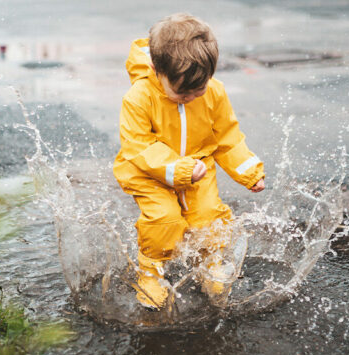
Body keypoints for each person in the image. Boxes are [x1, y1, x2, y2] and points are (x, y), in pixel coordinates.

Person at [113, 13, 265, 309]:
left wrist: (249, 171)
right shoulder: (138, 97)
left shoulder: (215, 93)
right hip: (149, 174)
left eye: (201, 88)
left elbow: (228, 137)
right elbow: (139, 146)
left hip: (198, 165)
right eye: (183, 92)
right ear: (157, 70)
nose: (193, 97)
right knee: (164, 219)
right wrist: (179, 170)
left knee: (208, 216)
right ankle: (151, 274)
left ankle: (210, 265)